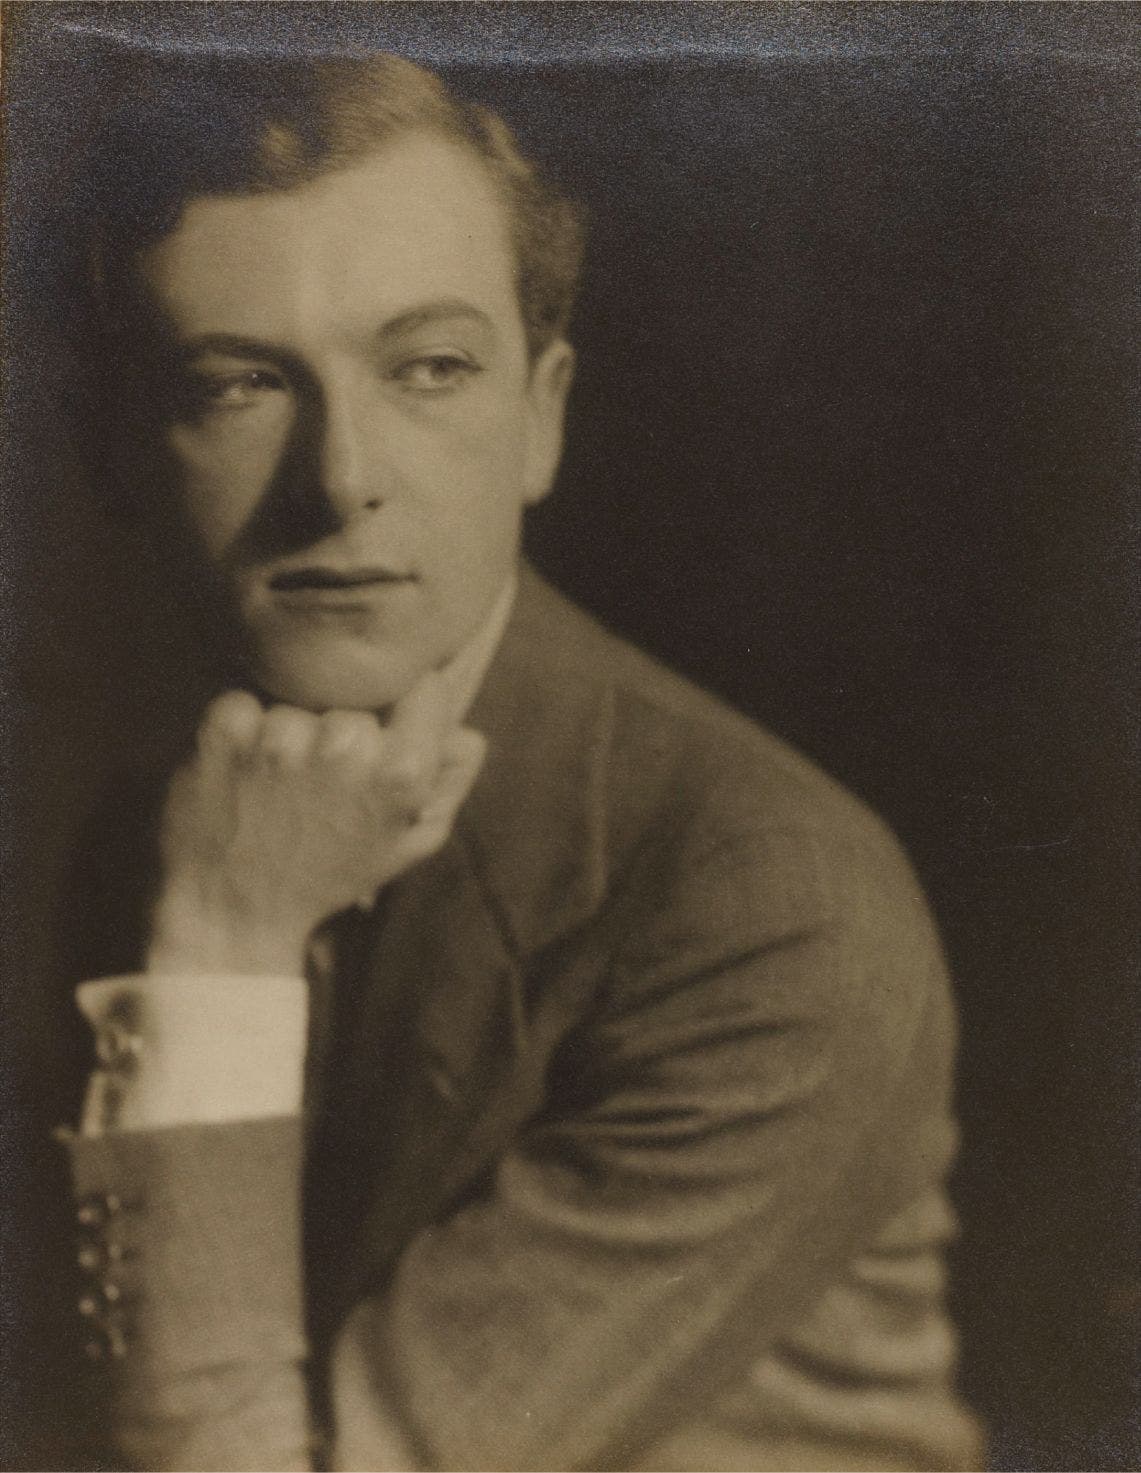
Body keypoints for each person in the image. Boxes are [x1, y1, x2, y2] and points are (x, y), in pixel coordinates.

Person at [54, 51, 983, 1472]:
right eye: (238, 385)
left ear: (540, 416)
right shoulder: (174, 831)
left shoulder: (769, 901)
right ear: (118, 448)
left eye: (429, 369)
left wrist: (222, 953)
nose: (341, 480)